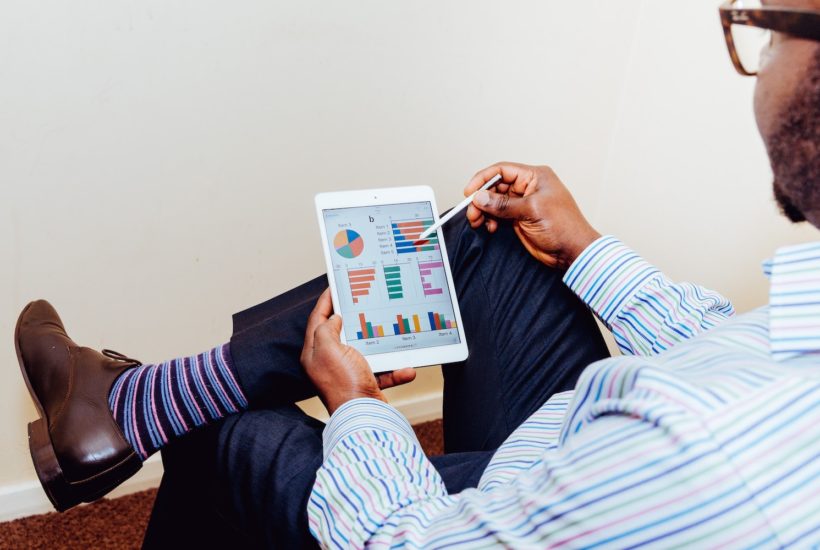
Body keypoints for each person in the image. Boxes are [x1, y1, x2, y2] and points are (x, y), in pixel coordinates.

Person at [13, 0, 819, 547]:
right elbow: (736, 348)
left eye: (773, 30)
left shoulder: (716, 451)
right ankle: (123, 407)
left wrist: (359, 407)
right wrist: (585, 246)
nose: (762, 60)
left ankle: (140, 407)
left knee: (235, 431)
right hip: (578, 452)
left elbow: (408, 540)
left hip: (500, 508)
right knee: (491, 235)